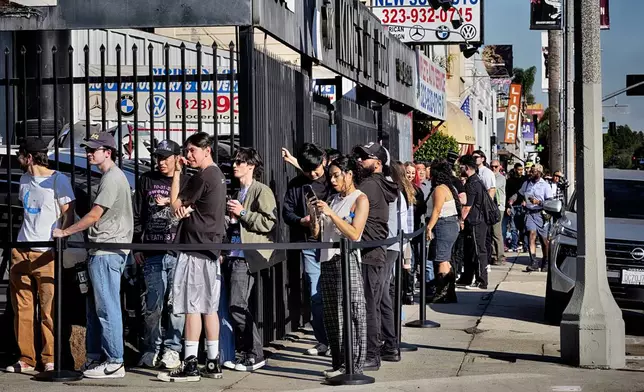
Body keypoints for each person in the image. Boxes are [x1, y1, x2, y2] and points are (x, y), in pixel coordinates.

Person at [54, 132, 133, 379]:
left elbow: (94, 215)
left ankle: (115, 361)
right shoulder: (111, 177)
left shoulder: (112, 178)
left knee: (107, 308)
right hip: (104, 250)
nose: (89, 153)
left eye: (93, 149)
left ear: (107, 152)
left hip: (107, 250)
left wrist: (65, 231)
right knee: (98, 308)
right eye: (88, 149)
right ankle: (97, 357)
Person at [158, 132, 226, 382]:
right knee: (209, 308)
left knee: (191, 308)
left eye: (192, 151)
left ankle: (190, 364)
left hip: (195, 249)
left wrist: (177, 173)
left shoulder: (203, 176)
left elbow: (176, 205)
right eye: (186, 151)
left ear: (207, 150)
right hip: (209, 249)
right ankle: (212, 361)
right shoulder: (217, 176)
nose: (188, 156)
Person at [7, 138, 75, 373]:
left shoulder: (58, 179)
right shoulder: (24, 179)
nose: (17, 159)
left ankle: (50, 358)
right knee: (22, 308)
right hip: (22, 249)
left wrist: (62, 236)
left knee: (48, 310)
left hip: (46, 252)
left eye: (20, 154)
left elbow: (69, 212)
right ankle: (26, 358)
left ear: (29, 157)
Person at [310, 155, 369, 379]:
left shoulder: (360, 199)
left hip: (347, 259)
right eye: (331, 176)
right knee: (332, 314)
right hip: (327, 259)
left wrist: (332, 214)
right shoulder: (333, 199)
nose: (333, 180)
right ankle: (339, 363)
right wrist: (315, 215)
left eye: (336, 175)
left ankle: (354, 364)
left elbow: (354, 233)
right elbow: (317, 234)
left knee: (352, 311)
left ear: (349, 174)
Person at [133, 140, 186, 369]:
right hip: (151, 250)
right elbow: (137, 214)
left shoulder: (185, 180)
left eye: (166, 157)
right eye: (158, 157)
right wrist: (137, 245)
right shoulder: (146, 179)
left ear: (176, 157)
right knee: (153, 304)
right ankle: (151, 348)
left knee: (176, 304)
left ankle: (173, 349)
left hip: (176, 250)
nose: (161, 162)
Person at [223, 147, 276, 372]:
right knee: (235, 305)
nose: (234, 165)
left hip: (247, 256)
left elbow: (269, 222)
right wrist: (233, 219)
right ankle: (247, 352)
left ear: (251, 166)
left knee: (237, 305)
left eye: (240, 162)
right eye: (234, 162)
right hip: (235, 254)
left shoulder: (261, 190)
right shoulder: (239, 192)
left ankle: (254, 353)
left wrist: (243, 213)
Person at [282, 143, 331, 356]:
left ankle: (339, 338)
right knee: (315, 294)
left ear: (324, 161)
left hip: (334, 243)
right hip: (310, 244)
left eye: (316, 169)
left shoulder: (333, 179)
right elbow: (286, 212)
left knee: (337, 293)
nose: (313, 174)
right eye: (308, 170)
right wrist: (302, 220)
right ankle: (323, 340)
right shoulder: (296, 185)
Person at [353, 142, 398, 371]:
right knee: (377, 303)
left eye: (365, 157)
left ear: (378, 163)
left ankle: (372, 354)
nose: (360, 161)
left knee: (369, 305)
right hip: (376, 252)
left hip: (370, 253)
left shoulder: (370, 185)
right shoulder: (379, 184)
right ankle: (384, 348)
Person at [380, 160, 414, 362]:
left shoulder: (393, 192)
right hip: (395, 244)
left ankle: (390, 341)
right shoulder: (400, 191)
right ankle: (391, 339)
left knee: (382, 292)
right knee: (387, 289)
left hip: (390, 245)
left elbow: (399, 222)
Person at [425, 161, 461, 303]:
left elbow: (437, 210)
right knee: (445, 259)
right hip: (448, 225)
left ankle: (443, 292)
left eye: (430, 169)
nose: (428, 172)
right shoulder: (447, 187)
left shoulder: (440, 189)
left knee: (442, 260)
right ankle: (449, 292)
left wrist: (429, 227)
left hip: (443, 225)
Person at [509, 164, 553, 272]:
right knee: (531, 235)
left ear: (539, 173)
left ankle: (546, 261)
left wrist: (538, 202)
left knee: (544, 240)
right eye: (530, 171)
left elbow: (550, 202)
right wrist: (512, 200)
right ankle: (533, 261)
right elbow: (519, 194)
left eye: (533, 171)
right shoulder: (527, 183)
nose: (530, 173)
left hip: (541, 214)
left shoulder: (545, 185)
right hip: (529, 213)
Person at [456, 155, 489, 290]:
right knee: (470, 250)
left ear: (467, 167)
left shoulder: (472, 184)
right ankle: (467, 277)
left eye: (461, 166)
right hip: (477, 220)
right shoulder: (477, 181)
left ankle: (482, 279)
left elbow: (467, 206)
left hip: (475, 221)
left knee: (477, 250)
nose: (459, 169)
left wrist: (461, 219)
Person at [490, 160, 506, 266]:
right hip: (491, 207)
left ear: (499, 167)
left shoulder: (500, 178)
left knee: (497, 232)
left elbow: (493, 188)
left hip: (499, 207)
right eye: (492, 167)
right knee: (491, 232)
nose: (493, 168)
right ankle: (493, 255)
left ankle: (500, 256)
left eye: (495, 166)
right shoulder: (491, 176)